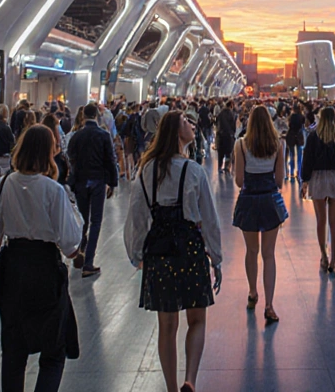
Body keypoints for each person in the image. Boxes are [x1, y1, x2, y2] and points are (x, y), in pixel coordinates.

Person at [0, 125, 82, 392]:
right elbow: (69, 243)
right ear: (48, 151)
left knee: (13, 349)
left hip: (12, 266)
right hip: (45, 267)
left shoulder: (4, 184)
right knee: (53, 349)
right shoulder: (53, 190)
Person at [124, 111, 223, 392]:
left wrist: (136, 254)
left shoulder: (147, 170)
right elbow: (210, 218)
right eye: (185, 122)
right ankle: (190, 379)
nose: (191, 125)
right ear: (178, 133)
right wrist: (216, 258)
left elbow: (136, 216)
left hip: (159, 251)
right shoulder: (194, 171)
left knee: (166, 326)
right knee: (197, 319)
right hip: (190, 248)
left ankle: (170, 387)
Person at [232, 106, 288, 322]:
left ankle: (252, 292)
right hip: (270, 201)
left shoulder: (241, 144)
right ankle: (269, 305)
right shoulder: (278, 145)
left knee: (251, 251)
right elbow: (280, 180)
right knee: (269, 254)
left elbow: (239, 181)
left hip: (248, 201)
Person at [301, 106, 335, 275]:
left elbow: (307, 159)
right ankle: (333, 259)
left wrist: (305, 180)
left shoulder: (313, 136)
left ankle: (323, 256)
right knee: (334, 221)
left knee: (321, 220)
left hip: (318, 178)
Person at [67, 103, 119, 277]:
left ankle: (79, 251)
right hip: (98, 180)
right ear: (97, 115)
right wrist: (113, 182)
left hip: (81, 181)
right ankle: (88, 262)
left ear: (83, 116)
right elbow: (110, 160)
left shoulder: (77, 136)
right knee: (96, 221)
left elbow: (71, 157)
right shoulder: (103, 135)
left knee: (82, 219)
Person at [284, 106, 305, 182]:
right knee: (299, 156)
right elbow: (303, 126)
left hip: (291, 137)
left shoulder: (291, 117)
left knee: (291, 155)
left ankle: (291, 172)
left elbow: (289, 126)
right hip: (299, 137)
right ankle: (299, 173)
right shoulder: (302, 117)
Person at [214, 102, 237, 174]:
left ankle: (219, 167)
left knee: (220, 153)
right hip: (228, 136)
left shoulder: (220, 113)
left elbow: (216, 123)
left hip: (220, 135)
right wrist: (232, 133)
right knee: (228, 153)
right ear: (231, 106)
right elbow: (233, 126)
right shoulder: (231, 114)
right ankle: (226, 168)